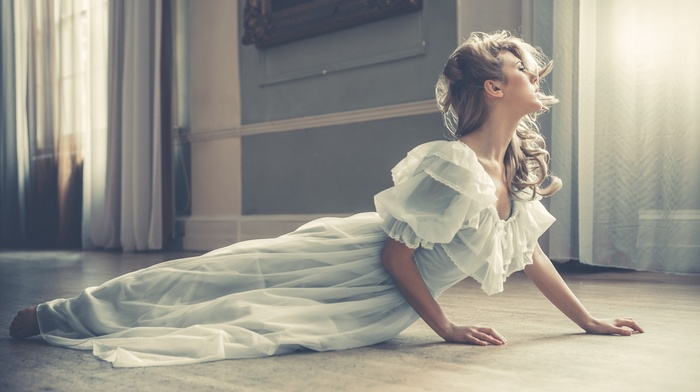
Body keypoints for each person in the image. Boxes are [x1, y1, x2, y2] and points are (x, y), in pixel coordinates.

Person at [9, 31, 643, 367]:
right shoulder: (454, 165)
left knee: (241, 320)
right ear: (493, 88)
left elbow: (528, 253)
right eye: (521, 67)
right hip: (355, 262)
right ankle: (56, 315)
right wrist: (445, 327)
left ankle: (66, 318)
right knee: (209, 279)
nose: (535, 76)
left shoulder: (511, 167)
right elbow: (397, 258)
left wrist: (586, 321)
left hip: (379, 305)